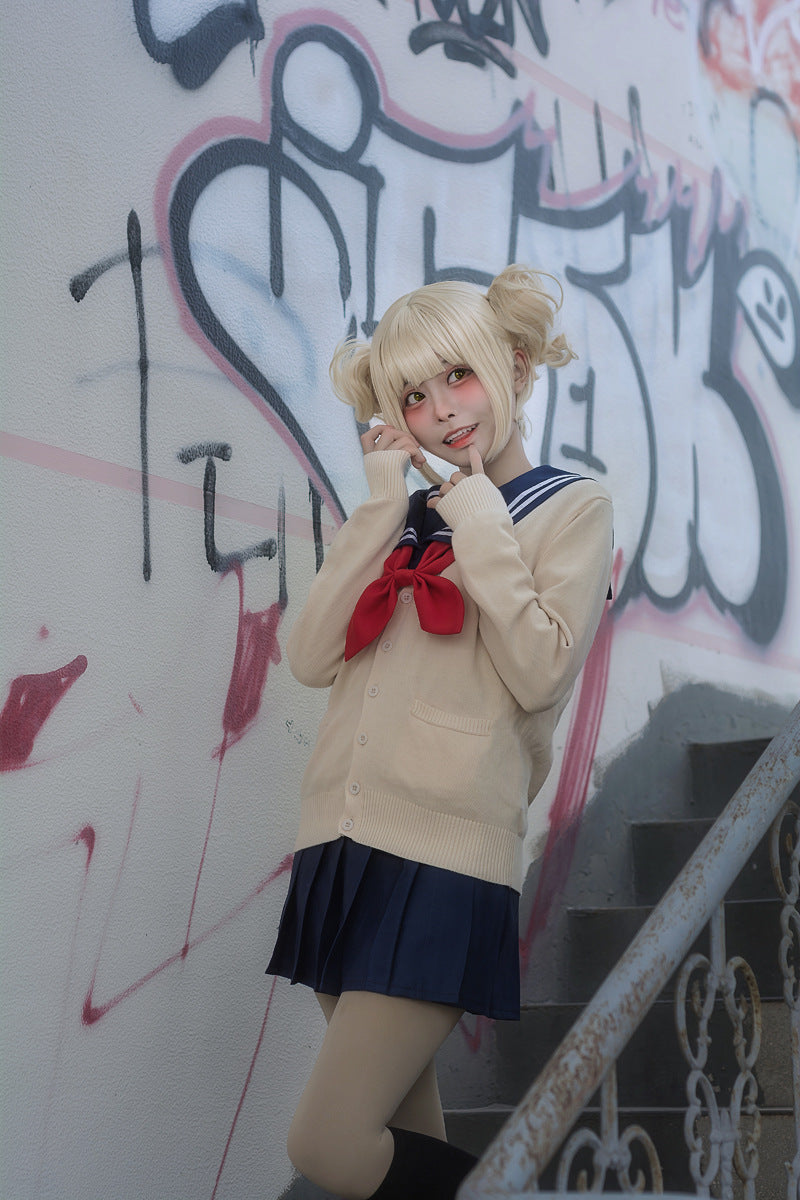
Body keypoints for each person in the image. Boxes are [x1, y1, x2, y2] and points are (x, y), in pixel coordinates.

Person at [267, 264, 613, 1199]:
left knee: (327, 1143)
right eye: (414, 397)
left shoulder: (571, 507)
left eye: (459, 376)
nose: (443, 410)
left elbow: (540, 670)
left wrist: (479, 517)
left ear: (513, 365)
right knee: (395, 1135)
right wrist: (381, 508)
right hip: (343, 840)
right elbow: (310, 656)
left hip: (444, 859)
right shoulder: (406, 515)